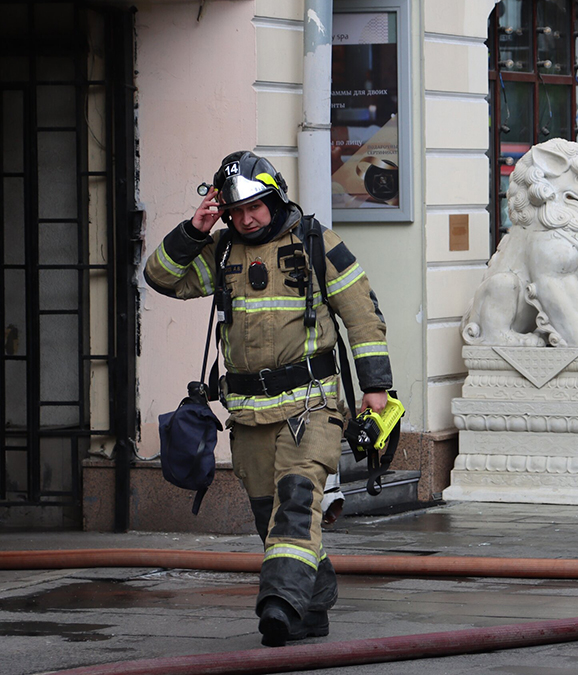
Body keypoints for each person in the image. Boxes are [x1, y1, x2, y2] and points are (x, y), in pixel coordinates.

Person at [144, 151, 392, 646]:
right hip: (250, 414)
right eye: (235, 212)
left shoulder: (317, 242)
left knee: (297, 502)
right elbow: (162, 278)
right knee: (268, 516)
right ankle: (313, 606)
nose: (244, 219)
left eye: (253, 207)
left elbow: (362, 314)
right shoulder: (221, 252)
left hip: (312, 407)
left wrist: (375, 388)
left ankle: (278, 603)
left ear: (274, 198)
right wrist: (195, 229)